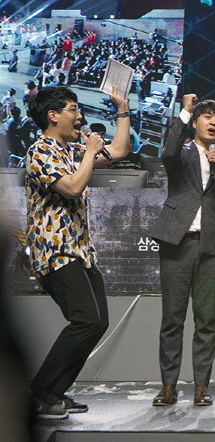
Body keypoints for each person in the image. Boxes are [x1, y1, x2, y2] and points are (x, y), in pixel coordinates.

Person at [25, 85, 132, 419]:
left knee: (97, 323)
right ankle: (39, 393)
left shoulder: (71, 150)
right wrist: (89, 153)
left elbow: (119, 149)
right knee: (85, 320)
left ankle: (54, 391)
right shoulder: (39, 151)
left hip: (80, 250)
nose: (80, 116)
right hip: (54, 251)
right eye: (73, 109)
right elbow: (72, 187)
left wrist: (123, 108)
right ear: (53, 115)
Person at [149, 94, 215, 408]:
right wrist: (185, 112)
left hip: (210, 245)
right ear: (196, 122)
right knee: (172, 319)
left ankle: (202, 386)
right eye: (207, 117)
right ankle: (168, 386)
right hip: (177, 242)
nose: (213, 123)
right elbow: (168, 152)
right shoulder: (182, 152)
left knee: (206, 319)